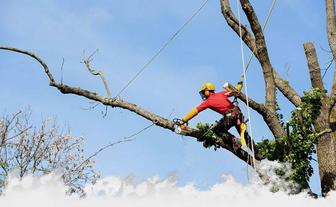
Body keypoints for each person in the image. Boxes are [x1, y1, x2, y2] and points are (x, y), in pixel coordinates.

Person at [178, 82, 253, 151]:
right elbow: (235, 90)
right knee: (244, 135)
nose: (203, 94)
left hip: (230, 117)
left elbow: (195, 111)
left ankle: (233, 140)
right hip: (239, 115)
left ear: (207, 91)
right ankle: (257, 154)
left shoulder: (207, 102)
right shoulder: (222, 93)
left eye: (204, 92)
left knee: (217, 130)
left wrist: (183, 120)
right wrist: (240, 83)